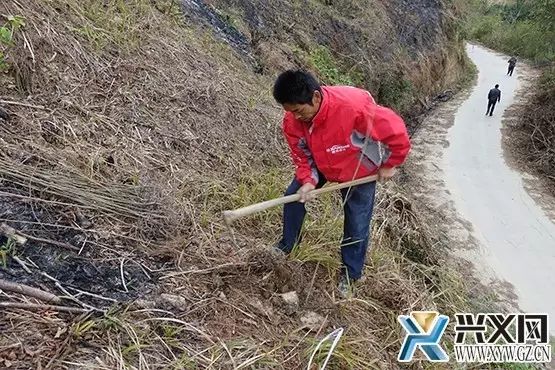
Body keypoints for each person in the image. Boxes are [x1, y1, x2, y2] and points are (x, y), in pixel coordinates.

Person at [272, 70, 411, 297]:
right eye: (290, 112)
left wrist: (390, 164)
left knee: (357, 223)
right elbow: (301, 156)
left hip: (358, 169)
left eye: (299, 111)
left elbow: (397, 133)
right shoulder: (292, 121)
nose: (295, 117)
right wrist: (308, 181)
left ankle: (350, 274)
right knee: (293, 198)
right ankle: (287, 245)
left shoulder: (354, 109)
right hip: (321, 161)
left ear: (315, 97)